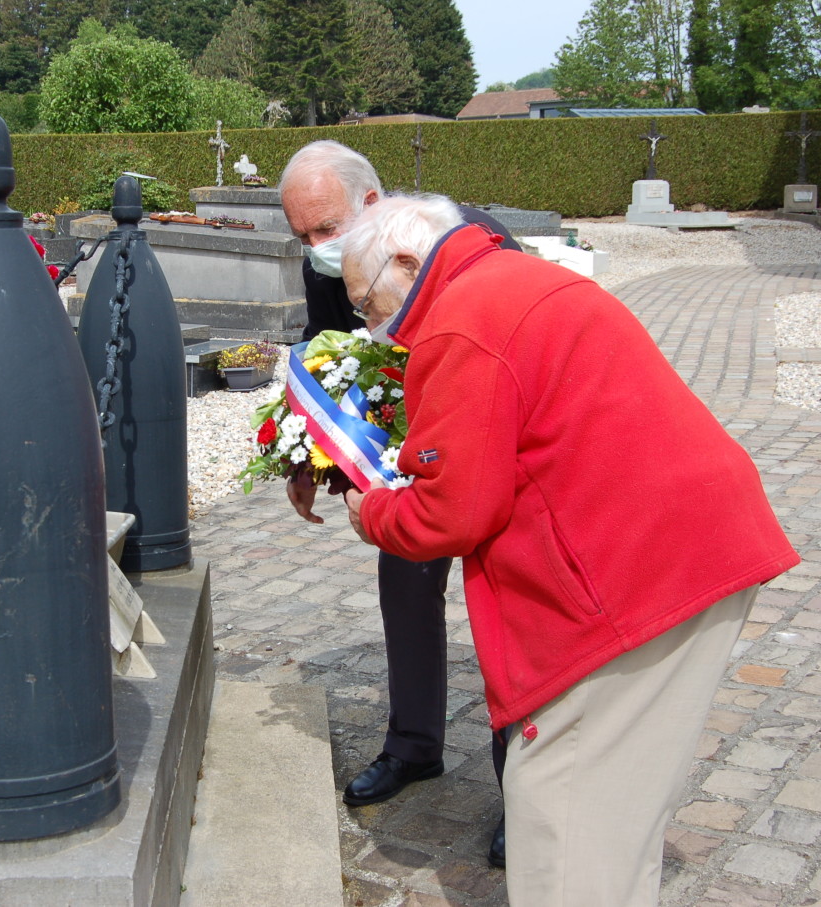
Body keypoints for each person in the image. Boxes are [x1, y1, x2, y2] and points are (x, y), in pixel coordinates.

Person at [336, 193, 800, 906]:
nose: (375, 326)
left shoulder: (459, 317)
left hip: (626, 584)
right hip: (689, 551)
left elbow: (452, 512)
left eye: (368, 304)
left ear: (405, 261)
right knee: (614, 822)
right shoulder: (515, 274)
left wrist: (371, 511)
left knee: (561, 819)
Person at [277, 141, 517, 867]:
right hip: (404, 443)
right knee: (404, 582)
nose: (318, 248)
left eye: (327, 228)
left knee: (504, 602)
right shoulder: (326, 264)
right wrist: (305, 456)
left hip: (485, 433)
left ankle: (523, 787)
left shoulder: (473, 242)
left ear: (372, 204)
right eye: (303, 235)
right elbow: (328, 354)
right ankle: (413, 744)